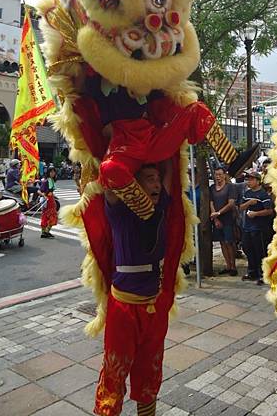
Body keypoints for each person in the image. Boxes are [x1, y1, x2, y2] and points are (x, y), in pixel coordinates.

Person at [95, 162, 172, 416]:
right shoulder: (119, 211)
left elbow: (170, 164)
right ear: (134, 184)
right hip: (124, 309)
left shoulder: (161, 207)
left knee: (150, 374)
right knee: (114, 375)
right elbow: (110, 172)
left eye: (158, 179)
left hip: (155, 307)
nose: (157, 184)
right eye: (149, 178)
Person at [239, 170, 274, 286]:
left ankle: (263, 274)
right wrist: (249, 203)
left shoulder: (263, 194)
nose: (249, 181)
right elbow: (241, 207)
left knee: (260, 251)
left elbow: (269, 211)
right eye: (248, 179)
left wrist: (256, 214)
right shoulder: (247, 193)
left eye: (251, 179)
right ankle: (252, 271)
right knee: (247, 249)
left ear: (258, 181)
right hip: (248, 227)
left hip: (259, 228)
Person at [209, 166, 237, 275]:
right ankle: (228, 265)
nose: (218, 177)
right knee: (222, 243)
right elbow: (211, 202)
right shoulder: (212, 188)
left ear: (224, 175)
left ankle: (233, 266)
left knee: (229, 242)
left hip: (228, 219)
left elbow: (231, 203)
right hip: (216, 220)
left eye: (220, 174)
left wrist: (219, 212)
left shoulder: (230, 187)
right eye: (216, 175)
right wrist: (215, 217)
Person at [39, 167, 58, 239]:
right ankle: (44, 232)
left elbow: (51, 191)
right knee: (47, 216)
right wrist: (44, 196)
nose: (53, 173)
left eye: (54, 172)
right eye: (51, 172)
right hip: (47, 200)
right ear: (48, 173)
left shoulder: (52, 180)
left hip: (51, 199)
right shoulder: (45, 181)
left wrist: (54, 196)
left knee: (52, 215)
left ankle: (46, 231)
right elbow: (39, 191)